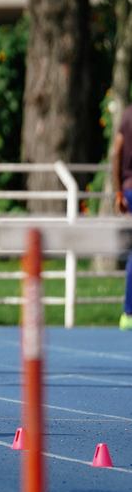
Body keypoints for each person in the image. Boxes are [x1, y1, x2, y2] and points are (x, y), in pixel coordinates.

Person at [112, 103, 132, 331]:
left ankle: (128, 312)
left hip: (128, 188)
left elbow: (116, 151)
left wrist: (119, 191)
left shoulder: (127, 114)